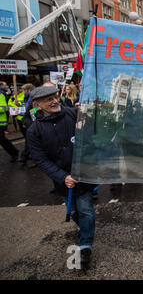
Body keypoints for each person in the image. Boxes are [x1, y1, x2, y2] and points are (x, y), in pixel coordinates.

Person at [27, 84, 97, 267]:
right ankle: (83, 227)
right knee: (73, 210)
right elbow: (41, 160)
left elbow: (91, 138)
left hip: (82, 175)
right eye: (48, 99)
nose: (55, 101)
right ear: (38, 104)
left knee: (86, 209)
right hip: (63, 181)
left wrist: (89, 114)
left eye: (55, 97)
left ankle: (85, 245)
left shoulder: (74, 115)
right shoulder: (34, 131)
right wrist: (62, 177)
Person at [0, 81, 20, 162]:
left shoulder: (1, 94)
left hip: (1, 121)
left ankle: (14, 152)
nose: (7, 86)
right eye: (6, 85)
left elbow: (4, 108)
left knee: (1, 139)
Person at [17, 83, 36, 164]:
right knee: (29, 140)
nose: (22, 91)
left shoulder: (32, 98)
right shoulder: (25, 97)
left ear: (28, 90)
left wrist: (23, 114)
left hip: (32, 122)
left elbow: (32, 110)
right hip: (26, 120)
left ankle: (25, 156)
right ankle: (26, 155)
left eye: (24, 89)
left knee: (30, 140)